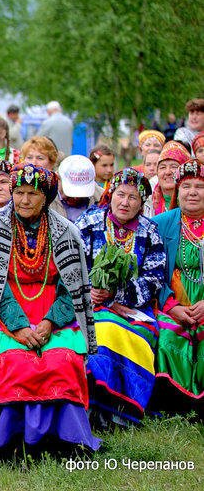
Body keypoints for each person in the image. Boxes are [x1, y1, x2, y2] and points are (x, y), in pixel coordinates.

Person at [0, 163, 99, 454]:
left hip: (54, 312)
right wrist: (18, 325)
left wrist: (49, 323)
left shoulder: (66, 230)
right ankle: (7, 441)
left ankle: (66, 439)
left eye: (32, 193)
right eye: (18, 192)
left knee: (63, 359)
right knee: (10, 359)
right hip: (7, 310)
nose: (24, 200)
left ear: (46, 196)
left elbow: (73, 286)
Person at [75, 169, 166, 428]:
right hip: (90, 305)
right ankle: (93, 407)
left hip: (133, 309)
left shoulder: (150, 231)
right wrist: (89, 290)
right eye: (121, 195)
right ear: (110, 195)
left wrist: (116, 294)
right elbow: (70, 265)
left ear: (142, 202)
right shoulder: (88, 222)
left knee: (115, 332)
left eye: (133, 198)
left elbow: (154, 278)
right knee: (98, 332)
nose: (125, 202)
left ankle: (118, 410)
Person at [151, 159, 204, 409]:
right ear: (177, 190)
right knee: (166, 336)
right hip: (172, 303)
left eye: (199, 186)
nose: (192, 192)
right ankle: (176, 404)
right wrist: (171, 306)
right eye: (186, 186)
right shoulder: (161, 224)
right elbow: (152, 272)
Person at [147, 141, 190, 217]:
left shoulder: (195, 202)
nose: (167, 172)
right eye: (162, 167)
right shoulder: (147, 202)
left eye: (174, 167)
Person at [52, 155, 97, 223]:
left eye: (82, 192)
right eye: (71, 192)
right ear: (58, 178)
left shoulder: (101, 197)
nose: (76, 198)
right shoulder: (45, 198)